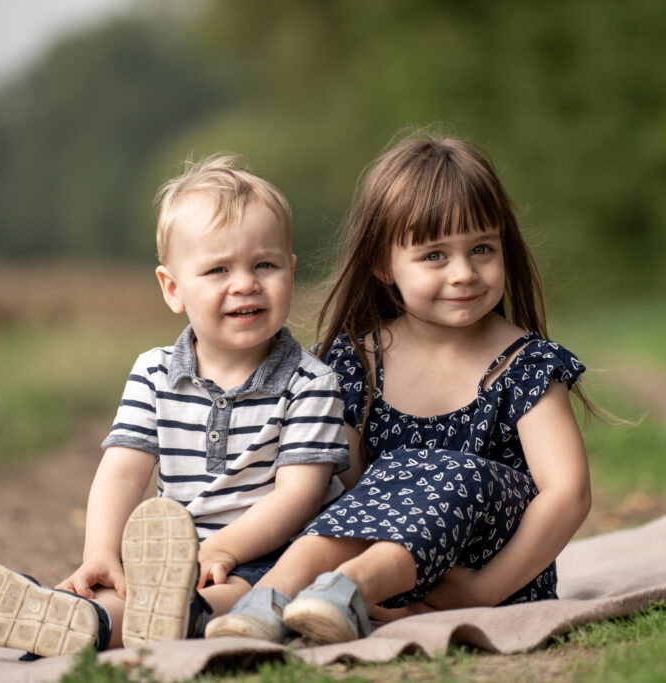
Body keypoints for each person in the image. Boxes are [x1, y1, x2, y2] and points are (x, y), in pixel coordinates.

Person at [0, 154, 350, 657]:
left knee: (247, 587)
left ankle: (176, 617)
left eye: (264, 265)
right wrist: (100, 552)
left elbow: (299, 497)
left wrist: (223, 548)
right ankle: (79, 618)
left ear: (290, 271)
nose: (245, 283)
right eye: (218, 269)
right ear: (173, 288)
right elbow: (122, 473)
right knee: (130, 589)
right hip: (172, 553)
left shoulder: (311, 381)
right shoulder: (155, 371)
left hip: (274, 546)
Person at [205, 133, 593, 645]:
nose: (464, 273)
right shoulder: (354, 359)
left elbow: (569, 493)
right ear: (384, 265)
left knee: (436, 467)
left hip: (494, 572)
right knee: (346, 496)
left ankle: (350, 588)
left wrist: (483, 589)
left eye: (482, 249)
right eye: (435, 255)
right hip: (382, 558)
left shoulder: (526, 365)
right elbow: (340, 487)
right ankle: (263, 601)